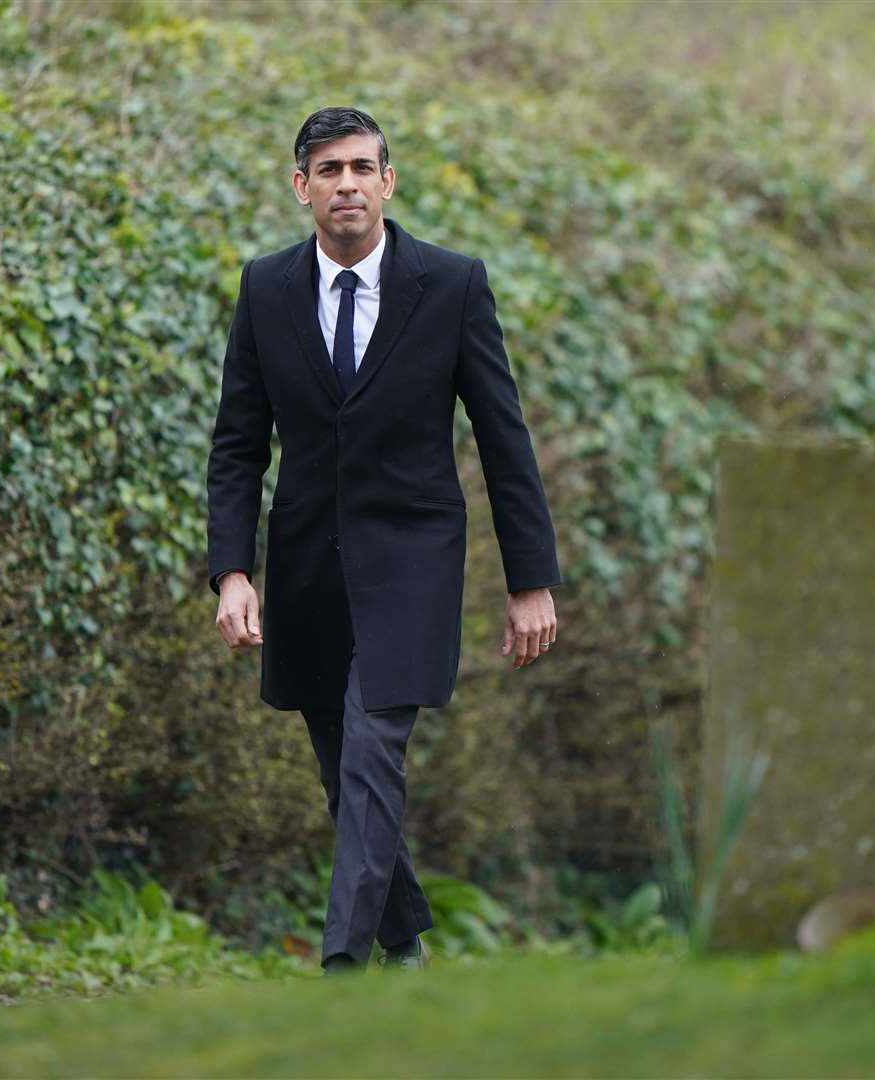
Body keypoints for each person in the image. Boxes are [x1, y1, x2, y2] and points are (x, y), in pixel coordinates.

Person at [204, 106, 561, 974]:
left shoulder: (452, 285)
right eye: (329, 171)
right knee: (342, 766)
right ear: (302, 188)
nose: (348, 185)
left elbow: (504, 437)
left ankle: (342, 963)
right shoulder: (266, 289)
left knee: (373, 745)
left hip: (413, 561)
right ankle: (405, 943)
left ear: (388, 182)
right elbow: (238, 444)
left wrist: (531, 581)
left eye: (363, 168)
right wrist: (232, 572)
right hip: (307, 566)